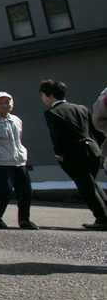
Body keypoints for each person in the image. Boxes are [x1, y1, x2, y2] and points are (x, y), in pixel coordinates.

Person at [40, 79, 107, 230]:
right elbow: (96, 130)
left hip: (74, 154)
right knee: (91, 184)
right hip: (93, 149)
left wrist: (59, 154)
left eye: (43, 95)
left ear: (50, 95)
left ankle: (102, 219)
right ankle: (104, 215)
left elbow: (56, 136)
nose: (42, 98)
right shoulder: (81, 108)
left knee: (87, 188)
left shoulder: (52, 112)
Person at [0, 91, 37, 230]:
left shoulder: (16, 120)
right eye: (0, 103)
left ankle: (24, 219)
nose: (4, 105)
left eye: (7, 102)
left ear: (12, 104)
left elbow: (18, 139)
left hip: (18, 159)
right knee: (5, 187)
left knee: (25, 190)